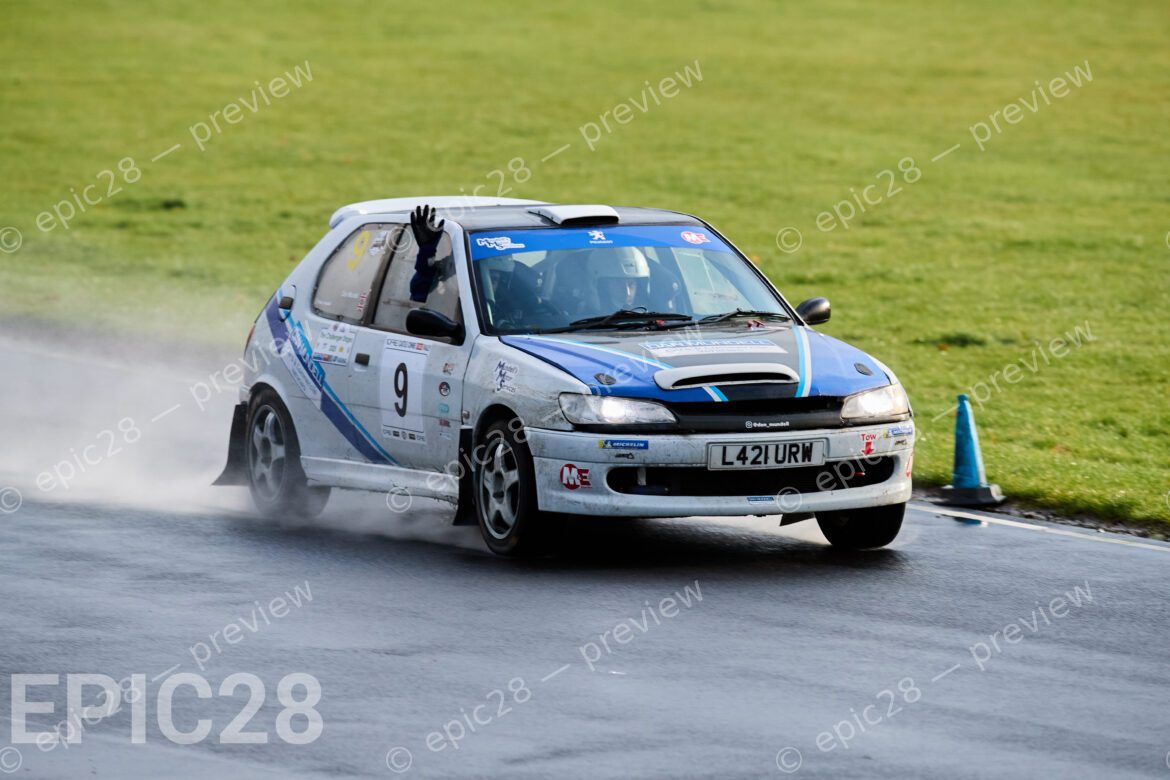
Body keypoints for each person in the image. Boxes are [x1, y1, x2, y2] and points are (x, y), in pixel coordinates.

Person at [586, 247, 651, 311]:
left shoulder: (652, 310)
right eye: (618, 283)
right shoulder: (588, 314)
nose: (627, 292)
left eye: (631, 284)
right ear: (604, 285)